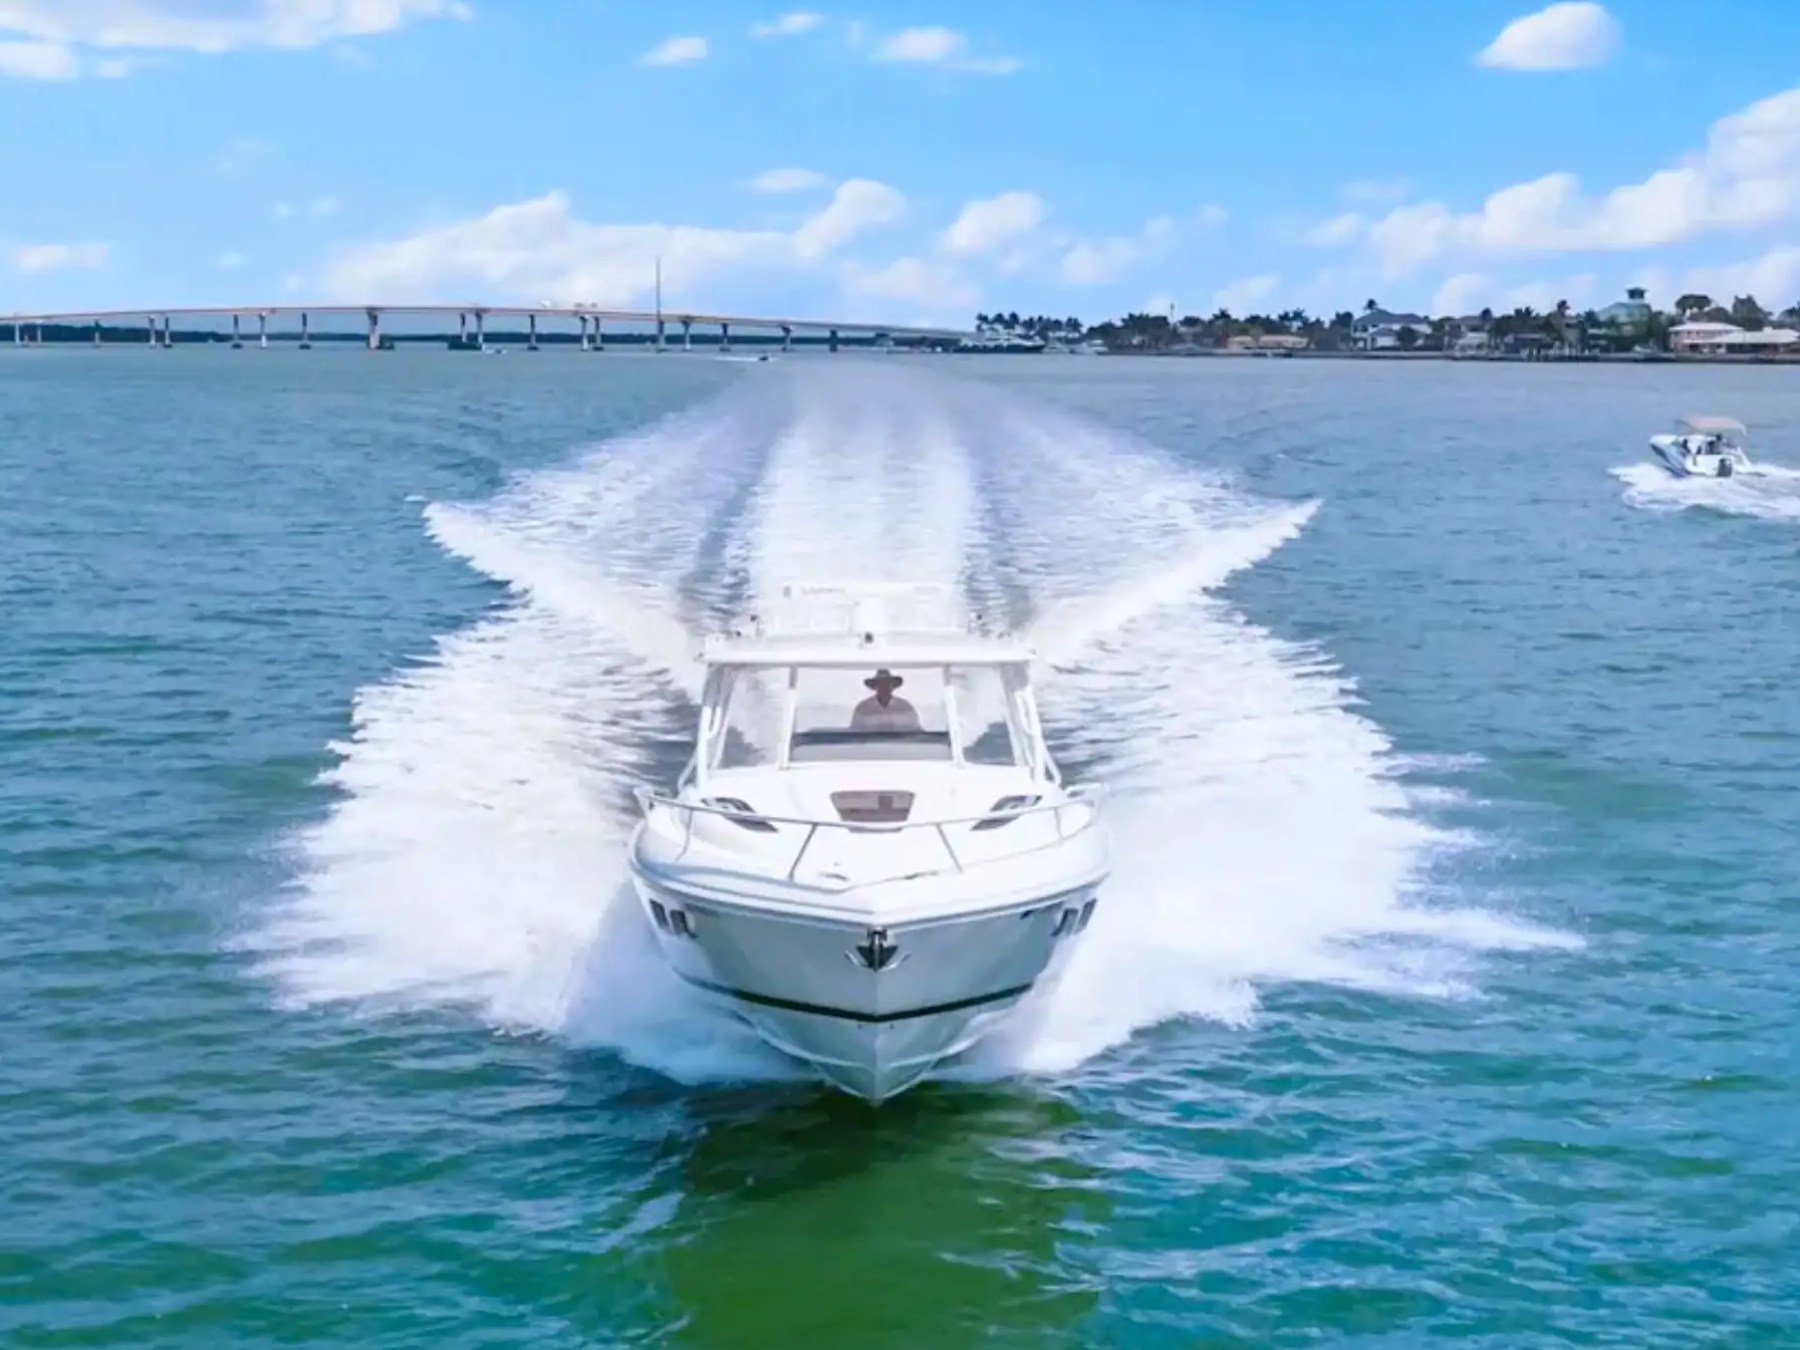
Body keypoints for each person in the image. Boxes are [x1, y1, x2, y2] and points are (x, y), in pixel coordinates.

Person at [850, 668, 920, 733]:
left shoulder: (905, 707)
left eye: (887, 684)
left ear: (892, 686)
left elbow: (916, 730)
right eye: (881, 684)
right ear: (875, 686)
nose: (884, 687)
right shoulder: (863, 708)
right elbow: (854, 732)